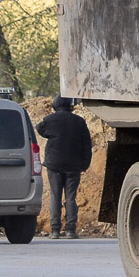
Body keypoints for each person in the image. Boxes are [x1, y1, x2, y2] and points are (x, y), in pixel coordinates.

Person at [37, 95, 92, 239]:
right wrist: (85, 164)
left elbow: (39, 129)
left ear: (55, 105)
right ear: (70, 105)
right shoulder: (79, 122)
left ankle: (55, 230)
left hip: (54, 164)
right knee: (71, 198)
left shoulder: (50, 120)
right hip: (74, 165)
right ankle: (71, 230)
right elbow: (87, 145)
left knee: (55, 196)